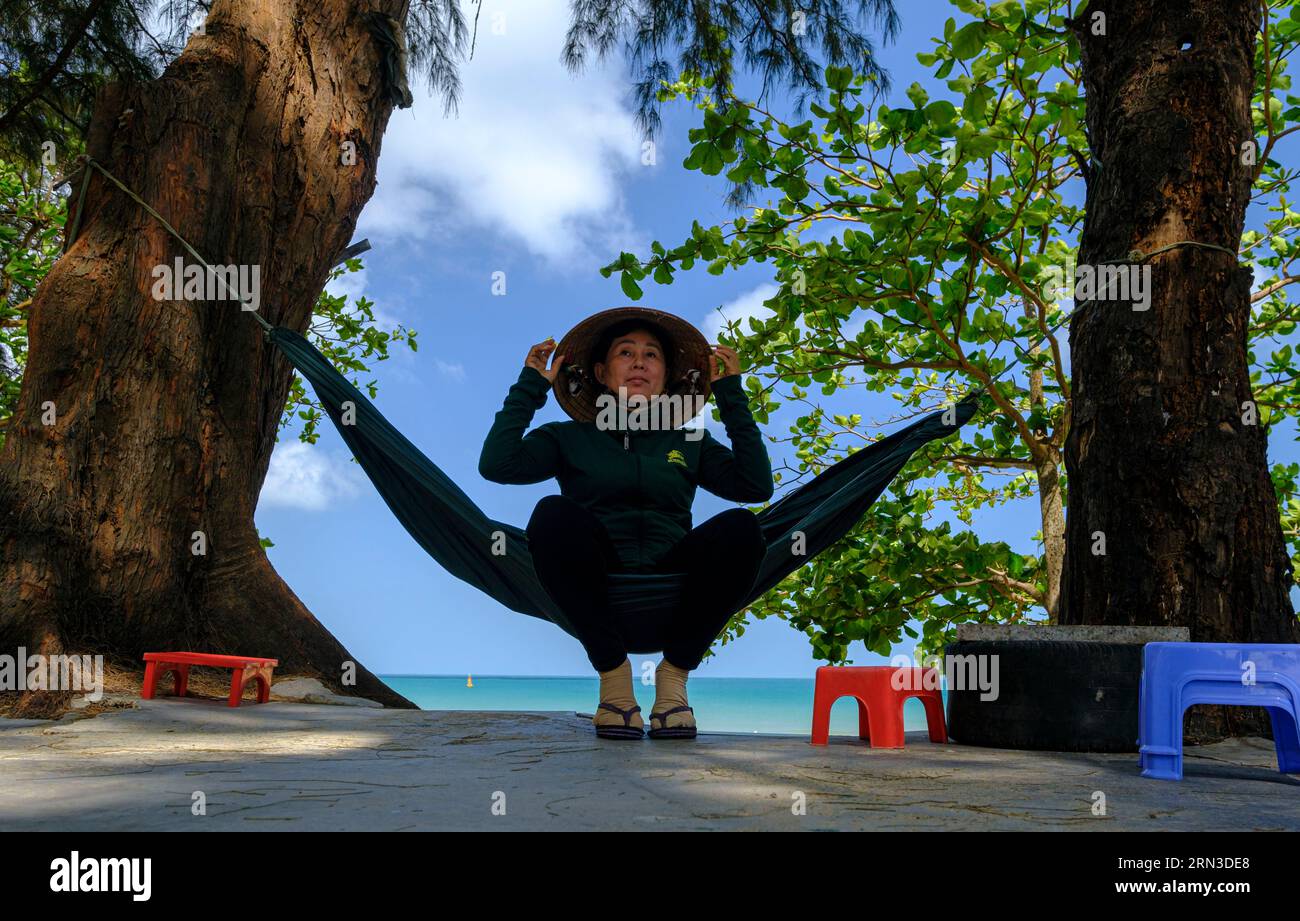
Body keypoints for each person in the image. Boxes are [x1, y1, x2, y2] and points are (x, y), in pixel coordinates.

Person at [478, 307, 773, 740]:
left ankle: (673, 684)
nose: (639, 362)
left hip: (674, 584)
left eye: (652, 355)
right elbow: (498, 464)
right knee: (551, 513)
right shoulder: (568, 436)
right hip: (595, 582)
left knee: (742, 528)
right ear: (600, 371)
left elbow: (755, 485)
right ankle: (615, 681)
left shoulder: (690, 440)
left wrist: (730, 395)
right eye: (626, 352)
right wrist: (530, 386)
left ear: (666, 375)